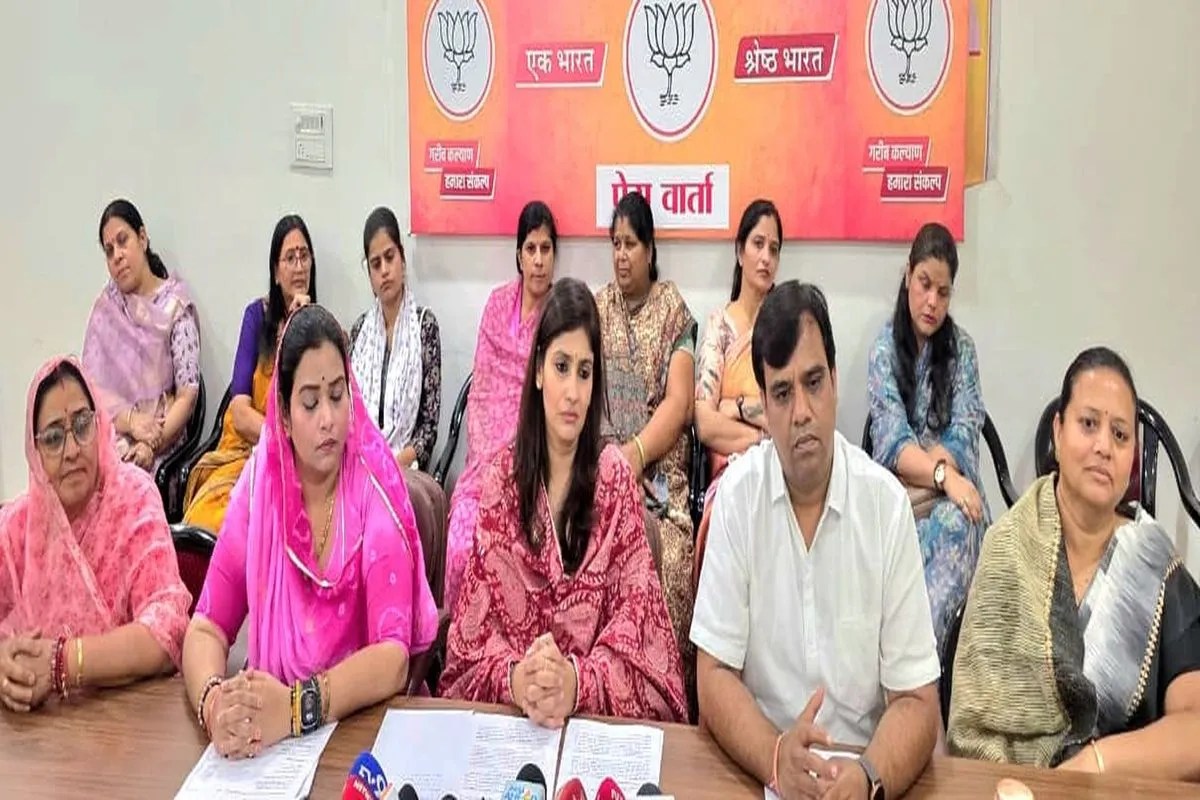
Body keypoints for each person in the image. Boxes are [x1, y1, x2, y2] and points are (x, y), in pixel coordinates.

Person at [692, 282, 940, 800]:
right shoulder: (737, 498)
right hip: (759, 768)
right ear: (763, 405)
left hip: (863, 771)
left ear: (835, 381)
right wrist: (774, 757)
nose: (801, 411)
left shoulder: (885, 507)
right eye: (782, 393)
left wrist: (868, 777)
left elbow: (917, 701)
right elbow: (712, 676)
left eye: (813, 382)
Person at [181, 305, 439, 760]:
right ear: (282, 413)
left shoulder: (374, 488)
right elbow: (206, 627)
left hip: (364, 738)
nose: (328, 419)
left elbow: (393, 659)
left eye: (338, 395)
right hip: (272, 751)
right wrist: (215, 703)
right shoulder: (260, 489)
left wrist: (296, 708)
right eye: (310, 402)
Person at [440, 279, 687, 726]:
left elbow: (646, 649)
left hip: (593, 730)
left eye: (584, 372)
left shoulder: (614, 481)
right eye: (561, 367)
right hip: (515, 726)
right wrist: (518, 680)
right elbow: (467, 653)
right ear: (537, 371)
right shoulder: (502, 483)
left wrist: (575, 682)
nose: (573, 391)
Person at [949, 347, 1200, 781]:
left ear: (1132, 456)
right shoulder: (1007, 550)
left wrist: (1095, 763)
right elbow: (973, 733)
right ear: (1058, 431)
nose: (1104, 446)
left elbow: (1194, 728)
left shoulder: (1156, 566)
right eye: (1088, 424)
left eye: (1120, 435)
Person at [0, 357, 191, 713]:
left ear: (100, 424)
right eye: (53, 437)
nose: (72, 450)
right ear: (35, 452)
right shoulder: (17, 529)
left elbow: (168, 630)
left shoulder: (133, 499)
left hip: (129, 721)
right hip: (37, 730)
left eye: (82, 425)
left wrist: (62, 663)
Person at [866, 222, 989, 649]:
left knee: (958, 521)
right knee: (902, 538)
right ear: (907, 275)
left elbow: (965, 431)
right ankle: (905, 664)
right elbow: (892, 443)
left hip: (952, 497)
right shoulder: (884, 350)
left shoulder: (962, 350)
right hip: (901, 498)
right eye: (924, 284)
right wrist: (942, 475)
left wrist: (937, 472)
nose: (932, 301)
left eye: (943, 291)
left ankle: (923, 666)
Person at [595, 191, 697, 703]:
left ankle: (664, 699)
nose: (621, 255)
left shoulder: (674, 313)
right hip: (599, 478)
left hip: (658, 487)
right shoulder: (597, 309)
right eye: (615, 243)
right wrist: (606, 466)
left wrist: (632, 456)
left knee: (672, 560)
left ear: (651, 250)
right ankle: (600, 693)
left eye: (631, 244)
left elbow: (679, 404)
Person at [444, 200, 558, 610]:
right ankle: (461, 639)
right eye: (531, 249)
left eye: (546, 249)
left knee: (513, 553)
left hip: (532, 470)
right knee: (461, 547)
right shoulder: (496, 304)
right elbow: (482, 394)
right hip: (483, 469)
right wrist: (492, 460)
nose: (539, 260)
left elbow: (554, 401)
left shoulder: (558, 315)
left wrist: (516, 460)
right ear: (519, 255)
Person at [182, 214, 317, 533]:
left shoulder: (319, 327)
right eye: (289, 258)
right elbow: (241, 413)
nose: (299, 266)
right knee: (212, 519)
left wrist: (303, 322)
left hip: (298, 461)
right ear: (276, 271)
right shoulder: (256, 317)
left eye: (304, 256)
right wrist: (282, 439)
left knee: (274, 524)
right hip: (249, 449)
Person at [693, 199, 781, 586]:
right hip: (728, 474)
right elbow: (704, 423)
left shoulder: (785, 329)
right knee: (730, 515)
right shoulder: (720, 326)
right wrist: (761, 437)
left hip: (780, 468)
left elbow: (789, 414)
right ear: (740, 251)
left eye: (774, 249)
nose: (766, 257)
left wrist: (738, 406)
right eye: (758, 244)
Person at [82, 199, 201, 472]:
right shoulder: (108, 308)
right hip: (113, 433)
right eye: (109, 250)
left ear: (143, 238)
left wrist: (150, 444)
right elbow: (90, 391)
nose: (117, 256)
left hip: (161, 440)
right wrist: (129, 421)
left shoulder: (174, 307)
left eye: (123, 241)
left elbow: (187, 397)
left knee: (129, 479)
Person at [350, 206, 441, 472]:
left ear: (402, 259)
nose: (385, 270)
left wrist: (389, 465)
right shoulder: (359, 333)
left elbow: (428, 429)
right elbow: (348, 415)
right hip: (359, 466)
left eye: (390, 257)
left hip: (405, 469)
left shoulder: (425, 327)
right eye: (376, 264)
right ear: (369, 274)